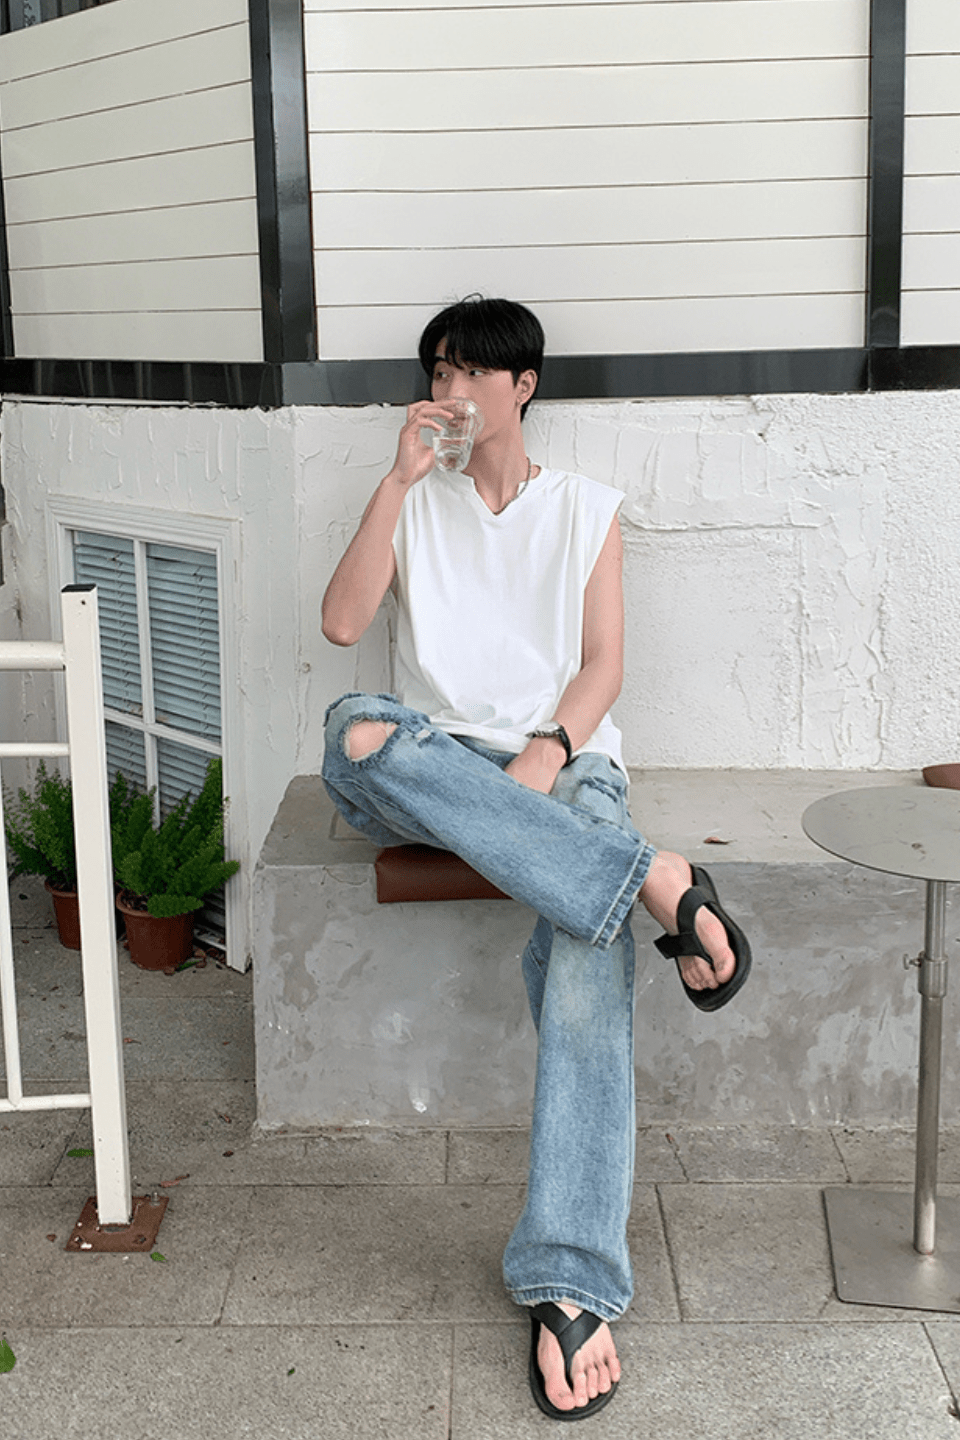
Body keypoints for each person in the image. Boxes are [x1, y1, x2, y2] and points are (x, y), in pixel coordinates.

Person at [320, 295, 752, 1420]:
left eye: (474, 372)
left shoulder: (585, 509)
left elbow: (604, 665)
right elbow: (342, 623)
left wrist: (550, 751)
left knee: (582, 954)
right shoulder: (414, 499)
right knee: (355, 730)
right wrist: (395, 482)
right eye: (439, 372)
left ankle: (571, 1282)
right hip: (439, 767)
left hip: (564, 760)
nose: (452, 391)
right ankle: (649, 881)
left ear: (524, 387)